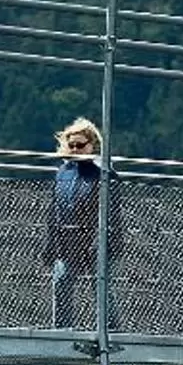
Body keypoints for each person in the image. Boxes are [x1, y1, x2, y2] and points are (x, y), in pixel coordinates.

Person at [42, 116, 120, 330]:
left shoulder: (103, 174)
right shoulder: (63, 173)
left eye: (80, 145)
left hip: (96, 243)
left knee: (100, 286)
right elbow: (54, 210)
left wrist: (100, 243)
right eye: (71, 145)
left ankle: (109, 330)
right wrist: (50, 244)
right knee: (61, 282)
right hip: (67, 243)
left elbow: (110, 213)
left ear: (92, 145)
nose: (75, 149)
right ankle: (62, 331)